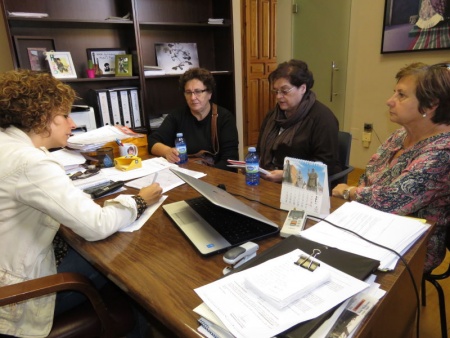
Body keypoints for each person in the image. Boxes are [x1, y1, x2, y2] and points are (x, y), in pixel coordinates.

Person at [0, 69, 163, 337]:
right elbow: (96, 225)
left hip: (12, 268)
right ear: (42, 117)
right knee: (126, 265)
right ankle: (136, 324)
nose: (72, 124)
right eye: (64, 115)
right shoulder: (30, 162)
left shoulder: (9, 145)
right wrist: (139, 201)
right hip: (19, 295)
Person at [332, 62, 450, 273]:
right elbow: (368, 177)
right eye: (394, 93)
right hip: (374, 222)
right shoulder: (400, 135)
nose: (389, 101)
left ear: (431, 104)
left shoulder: (443, 151)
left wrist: (349, 192)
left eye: (401, 95)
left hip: (416, 245)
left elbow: (392, 200)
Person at [257, 59, 341, 183]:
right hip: (268, 179)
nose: (278, 97)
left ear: (302, 88)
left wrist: (287, 174)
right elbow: (259, 150)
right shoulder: (273, 115)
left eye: (285, 91)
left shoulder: (323, 119)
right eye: (276, 91)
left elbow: (325, 164)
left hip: (303, 186)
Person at [148, 67, 239, 171]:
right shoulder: (177, 116)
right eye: (188, 92)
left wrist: (206, 176)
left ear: (209, 94)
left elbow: (230, 160)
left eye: (198, 91)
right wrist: (167, 151)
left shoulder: (224, 118)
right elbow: (152, 141)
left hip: (215, 176)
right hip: (185, 173)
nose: (192, 98)